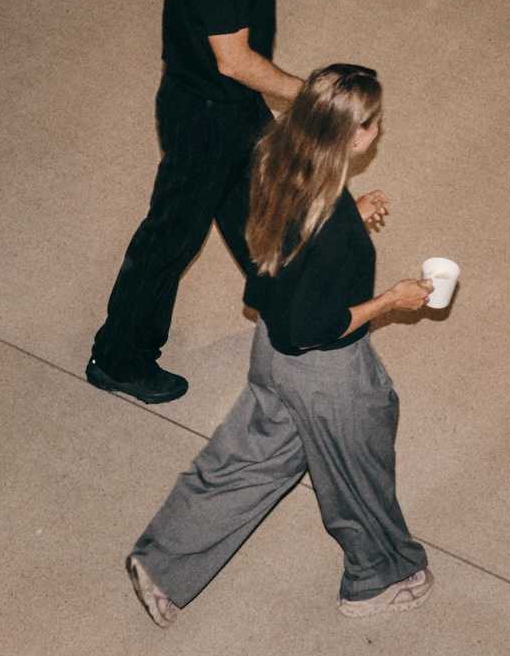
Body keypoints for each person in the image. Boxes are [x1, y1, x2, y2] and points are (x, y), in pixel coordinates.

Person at [122, 64, 436, 624]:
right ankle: (378, 578)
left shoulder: (278, 164)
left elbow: (291, 262)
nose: (377, 131)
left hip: (272, 357)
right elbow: (313, 327)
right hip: (325, 372)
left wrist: (351, 217)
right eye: (373, 124)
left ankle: (163, 563)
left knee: (250, 459)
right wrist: (392, 299)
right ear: (350, 136)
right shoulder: (329, 224)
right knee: (358, 465)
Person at [84, 0, 306, 405]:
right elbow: (233, 60)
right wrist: (311, 96)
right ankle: (119, 357)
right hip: (204, 113)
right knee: (169, 240)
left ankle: (277, 303)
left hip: (230, 108)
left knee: (259, 205)